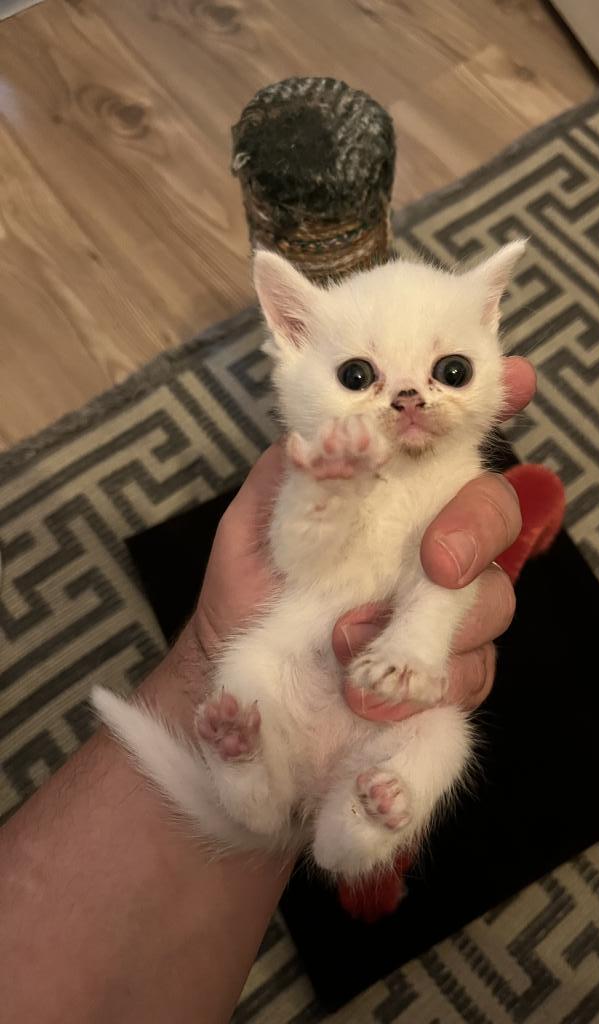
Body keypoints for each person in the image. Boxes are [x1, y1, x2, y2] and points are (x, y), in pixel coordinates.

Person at [0, 358, 536, 1023]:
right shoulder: (324, 459)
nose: (409, 398)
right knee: (254, 666)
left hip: (367, 721)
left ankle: (352, 830)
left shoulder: (459, 475)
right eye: (360, 375)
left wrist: (416, 642)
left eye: (449, 371)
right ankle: (254, 782)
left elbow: (439, 590)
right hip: (293, 670)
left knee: (444, 734)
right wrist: (324, 494)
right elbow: (301, 555)